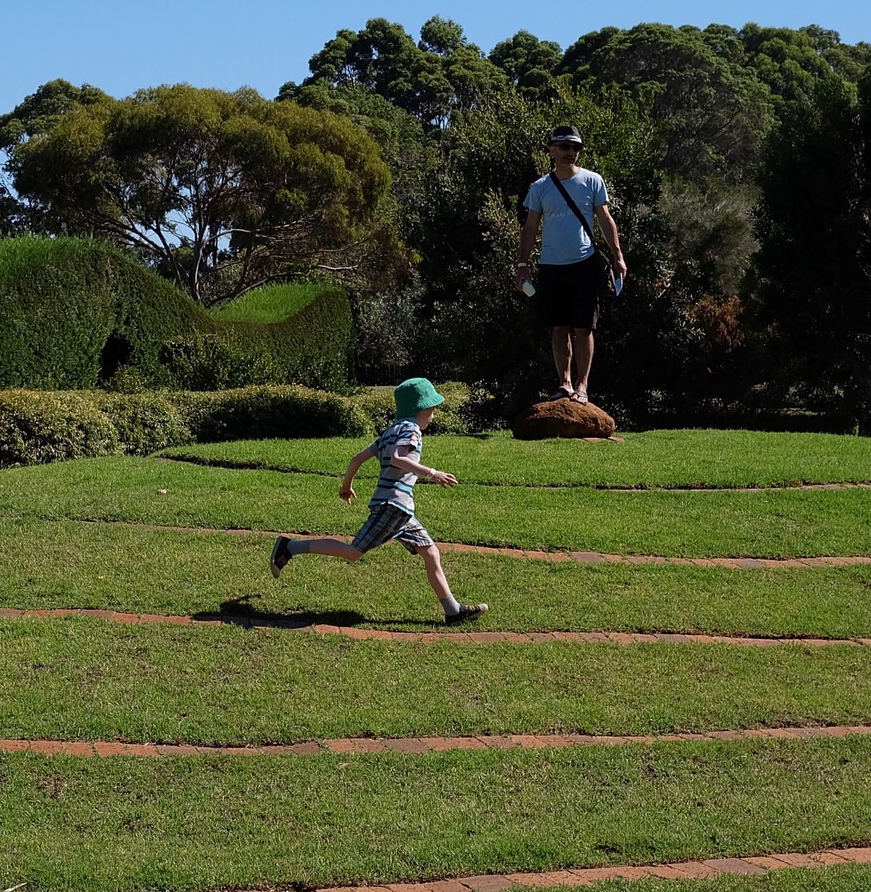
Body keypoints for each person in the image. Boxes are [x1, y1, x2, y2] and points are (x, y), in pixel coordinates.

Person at [267, 377, 487, 624]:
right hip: (393, 506)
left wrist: (346, 485)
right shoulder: (411, 430)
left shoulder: (391, 431)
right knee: (353, 552)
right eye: (432, 409)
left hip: (401, 511)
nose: (433, 415)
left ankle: (453, 611)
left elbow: (356, 458)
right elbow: (396, 458)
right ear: (420, 408)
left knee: (431, 552)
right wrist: (432, 473)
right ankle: (290, 547)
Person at [512, 126, 626, 403]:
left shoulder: (593, 181)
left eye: (575, 147)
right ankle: (564, 383)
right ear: (552, 150)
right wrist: (522, 264)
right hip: (551, 265)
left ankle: (582, 386)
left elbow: (605, 220)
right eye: (564, 147)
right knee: (559, 327)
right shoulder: (540, 187)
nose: (570, 152)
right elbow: (530, 227)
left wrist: (618, 256)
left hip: (584, 264)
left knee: (584, 327)